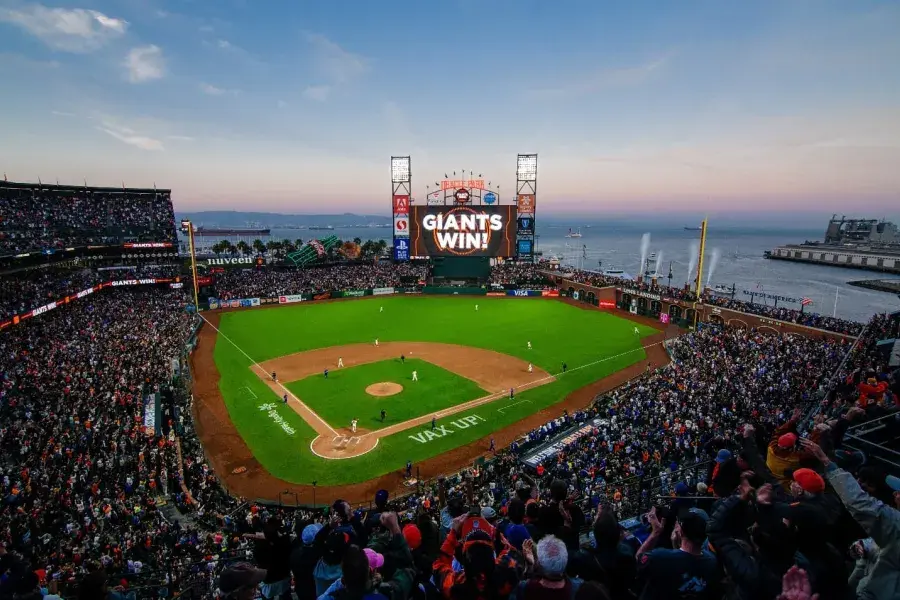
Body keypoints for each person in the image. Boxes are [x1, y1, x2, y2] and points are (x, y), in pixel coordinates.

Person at [636, 510, 721, 599]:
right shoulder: (711, 560)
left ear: (681, 532)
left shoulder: (658, 557)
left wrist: (656, 532)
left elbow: (638, 558)